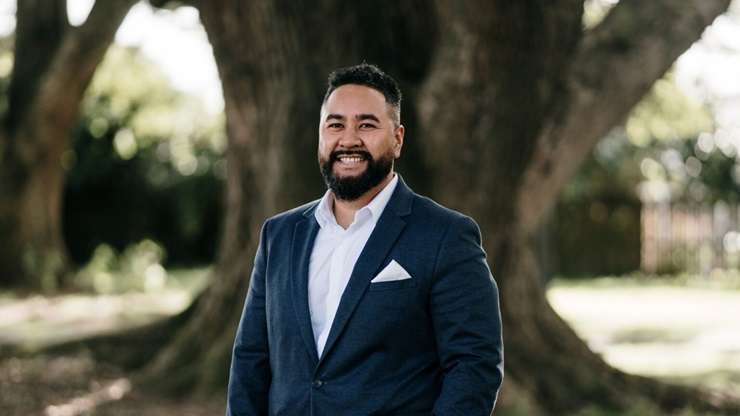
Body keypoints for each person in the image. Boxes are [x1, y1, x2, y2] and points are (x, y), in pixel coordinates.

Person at [226, 63, 503, 415]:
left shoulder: (446, 235)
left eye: (367, 124)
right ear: (321, 135)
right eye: (335, 124)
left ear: (398, 138)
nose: (349, 139)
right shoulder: (279, 235)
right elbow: (251, 357)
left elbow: (473, 366)